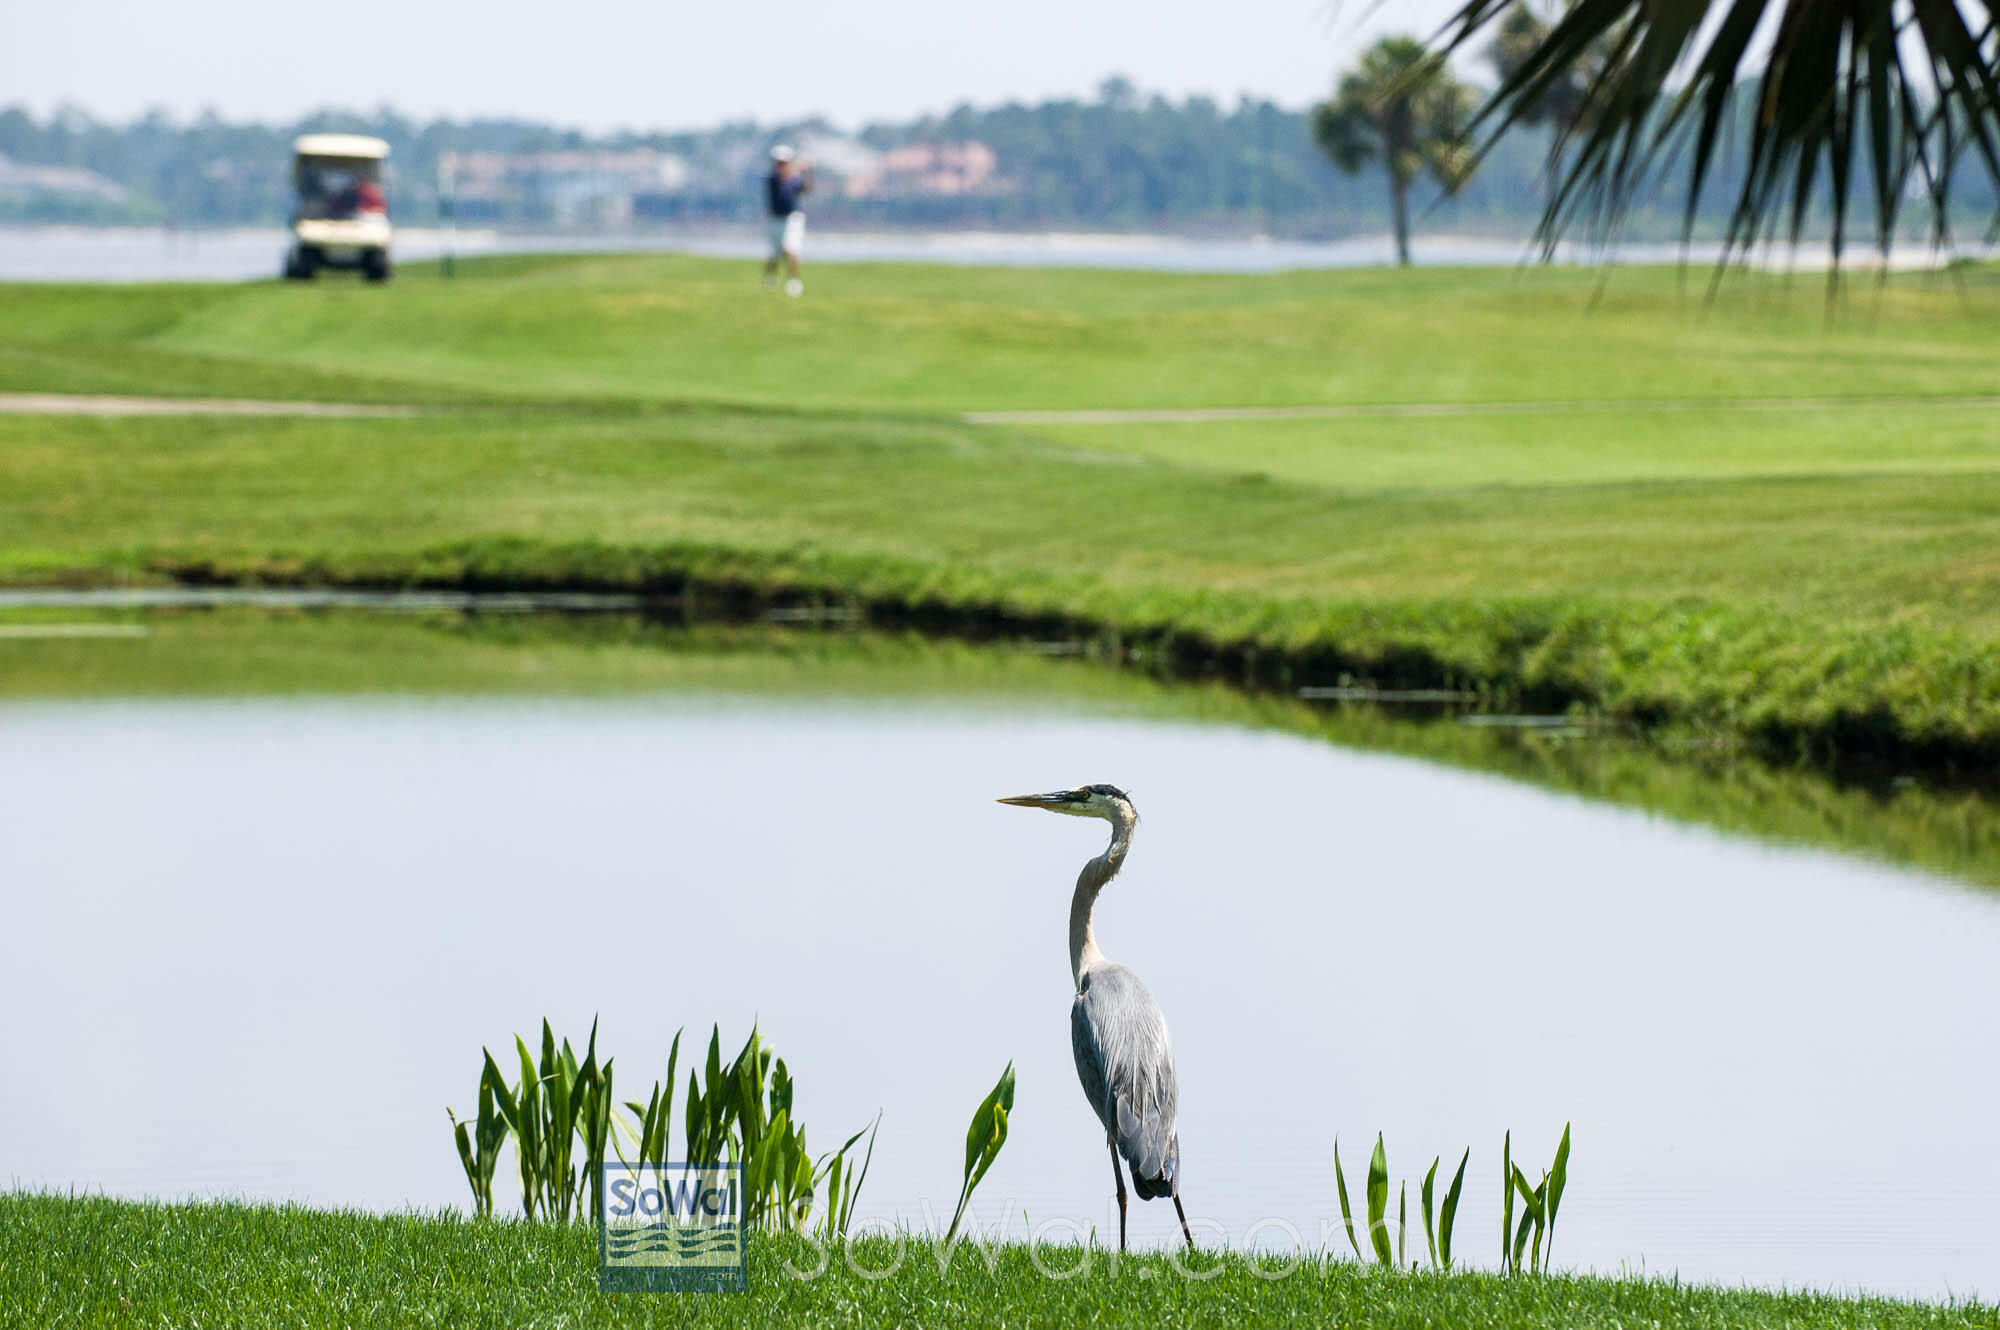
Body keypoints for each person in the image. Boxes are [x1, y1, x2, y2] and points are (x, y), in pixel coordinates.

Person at [762, 145, 812, 297]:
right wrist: (798, 168)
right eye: (778, 162)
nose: (780, 165)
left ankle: (794, 282)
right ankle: (770, 279)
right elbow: (783, 182)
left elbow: (806, 189)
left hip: (792, 219)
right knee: (774, 253)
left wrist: (807, 171)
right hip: (775, 219)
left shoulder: (794, 179)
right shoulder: (772, 179)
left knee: (791, 249)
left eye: (783, 162)